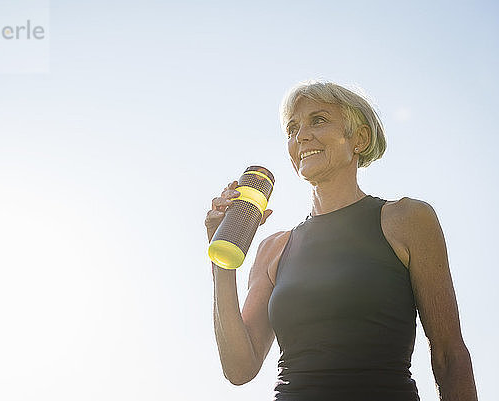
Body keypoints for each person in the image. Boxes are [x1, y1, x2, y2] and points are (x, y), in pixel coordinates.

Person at [205, 81, 478, 401]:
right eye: (292, 128)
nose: (301, 136)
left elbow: (449, 355)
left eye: (318, 120)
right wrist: (220, 257)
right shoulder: (273, 250)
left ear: (359, 138)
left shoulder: (407, 220)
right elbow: (239, 369)